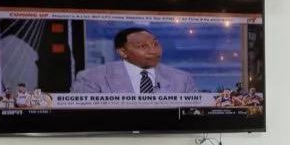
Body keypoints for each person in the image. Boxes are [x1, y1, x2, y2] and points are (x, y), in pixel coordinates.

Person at [70, 26, 198, 96]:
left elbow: (193, 117)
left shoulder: (182, 79)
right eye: (142, 46)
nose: (153, 51)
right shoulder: (91, 78)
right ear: (122, 52)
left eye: (155, 44)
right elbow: (83, 118)